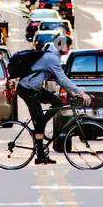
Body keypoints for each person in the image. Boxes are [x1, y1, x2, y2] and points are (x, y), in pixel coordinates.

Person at [16, 34, 91, 164]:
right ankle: (40, 153)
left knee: (57, 102)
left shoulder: (51, 55)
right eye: (68, 46)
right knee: (39, 123)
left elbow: (57, 78)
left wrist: (71, 93)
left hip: (35, 89)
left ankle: (40, 126)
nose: (69, 49)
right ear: (61, 46)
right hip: (27, 90)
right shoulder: (51, 58)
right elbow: (62, 78)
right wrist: (80, 92)